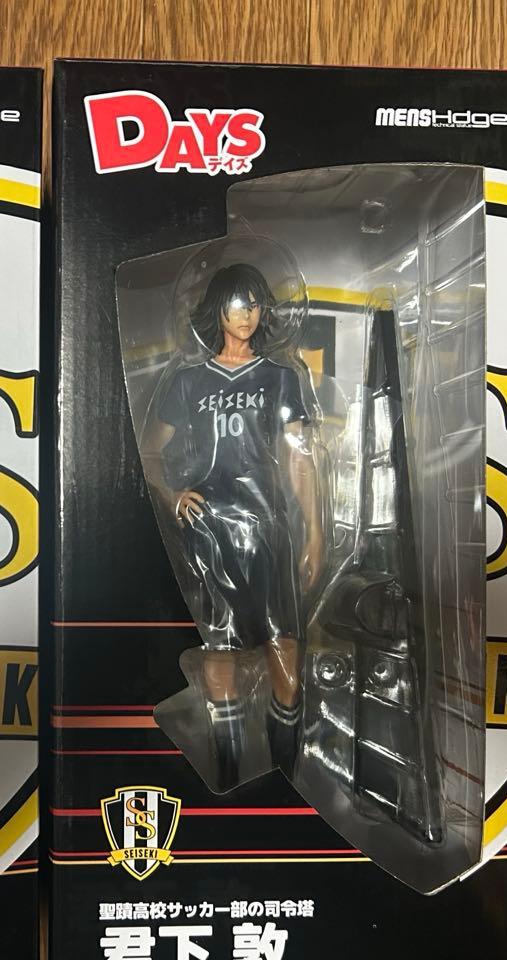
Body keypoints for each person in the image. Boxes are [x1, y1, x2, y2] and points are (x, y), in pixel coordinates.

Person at [145, 263, 322, 782]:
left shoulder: (280, 377)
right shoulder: (189, 381)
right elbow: (150, 452)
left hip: (268, 527)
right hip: (209, 530)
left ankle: (286, 769)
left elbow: (299, 459)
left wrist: (313, 530)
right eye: (236, 304)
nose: (247, 314)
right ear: (217, 311)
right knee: (220, 642)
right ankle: (227, 769)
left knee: (284, 645)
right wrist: (172, 495)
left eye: (254, 304)